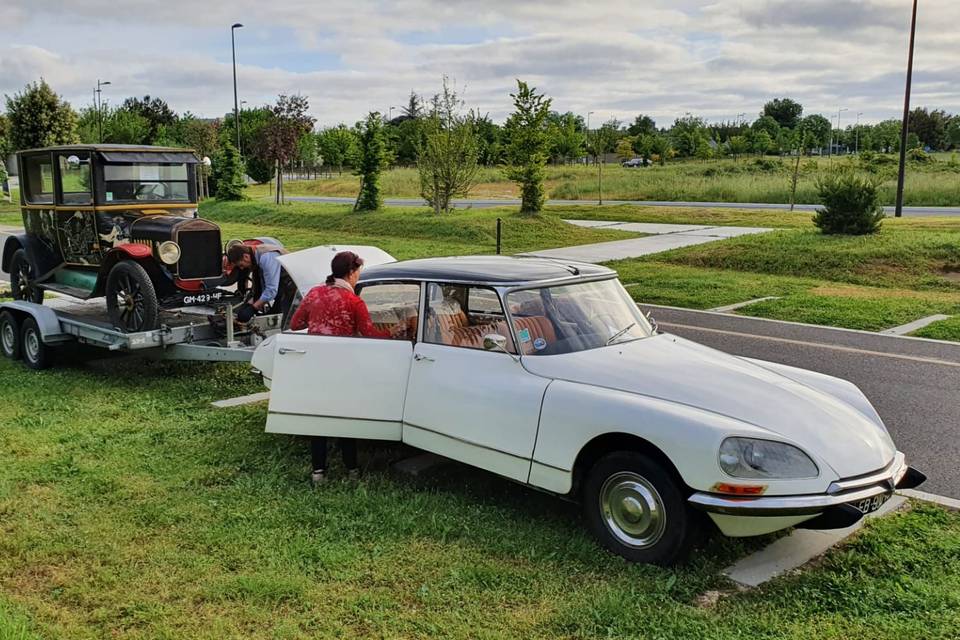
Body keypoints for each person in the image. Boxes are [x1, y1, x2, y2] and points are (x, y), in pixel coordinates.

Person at [290, 251, 404, 484]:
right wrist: (394, 332)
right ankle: (352, 470)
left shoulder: (315, 294)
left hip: (316, 365)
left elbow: (295, 324)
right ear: (351, 273)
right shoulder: (354, 301)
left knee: (318, 416)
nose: (357, 277)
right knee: (344, 417)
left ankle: (318, 472)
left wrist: (317, 322)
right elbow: (369, 333)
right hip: (343, 366)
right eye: (357, 272)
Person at [225, 242, 296, 322]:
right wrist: (250, 303)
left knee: (285, 320)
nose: (241, 268)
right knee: (272, 313)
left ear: (246, 256)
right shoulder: (255, 255)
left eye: (241, 265)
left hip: (294, 285)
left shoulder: (266, 258)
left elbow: (271, 290)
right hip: (281, 283)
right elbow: (262, 284)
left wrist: (253, 308)